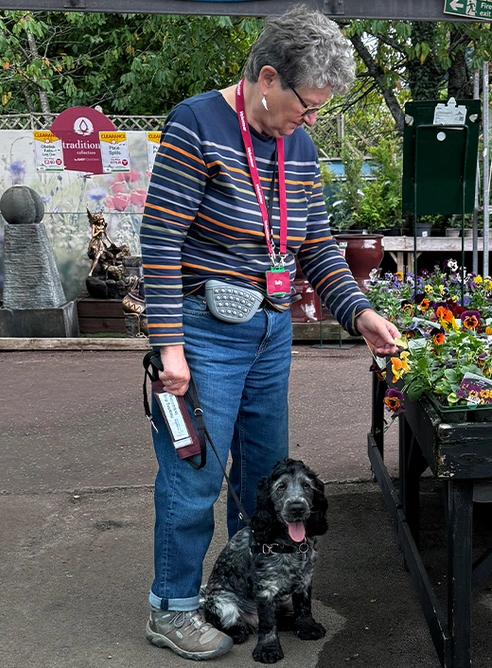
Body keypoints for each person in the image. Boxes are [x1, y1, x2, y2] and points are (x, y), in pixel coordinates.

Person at [138, 7, 399, 661]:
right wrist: (168, 344)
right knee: (193, 475)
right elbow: (161, 239)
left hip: (269, 332)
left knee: (263, 477)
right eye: (304, 106)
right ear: (267, 77)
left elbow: (314, 245)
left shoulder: (299, 148)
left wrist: (358, 313)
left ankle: (242, 588)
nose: (309, 120)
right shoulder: (195, 124)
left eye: (316, 111)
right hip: (204, 331)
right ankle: (170, 608)